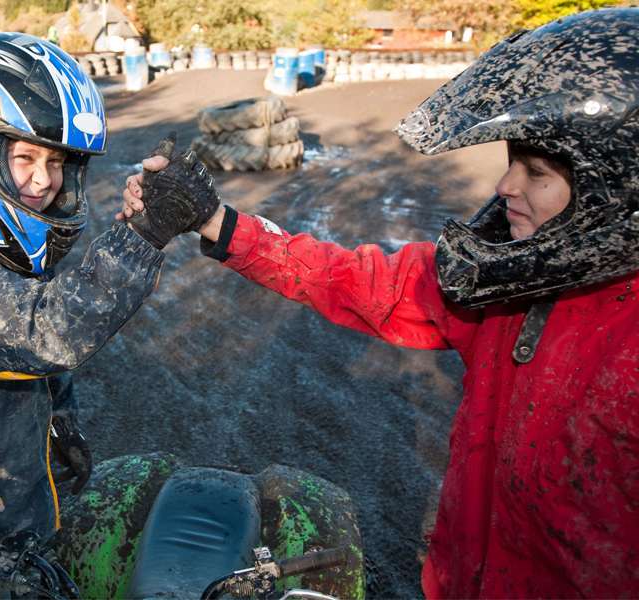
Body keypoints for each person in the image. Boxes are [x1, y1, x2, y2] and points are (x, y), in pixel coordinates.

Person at [120, 8, 639, 598]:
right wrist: (218, 223)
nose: (505, 187)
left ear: (616, 192)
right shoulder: (507, 280)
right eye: (510, 162)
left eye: (537, 173)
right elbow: (359, 281)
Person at [0, 33, 217, 598]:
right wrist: (143, 234)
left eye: (56, 162)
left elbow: (25, 362)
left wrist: (59, 422)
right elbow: (43, 333)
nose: (43, 180)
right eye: (25, 157)